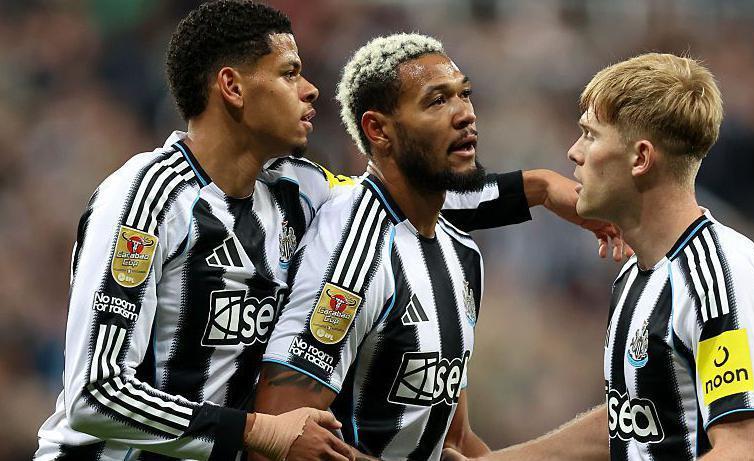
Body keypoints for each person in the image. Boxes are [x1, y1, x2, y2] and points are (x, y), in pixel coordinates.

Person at [35, 2, 624, 460]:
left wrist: (543, 190)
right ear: (232, 88)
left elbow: (409, 194)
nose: (312, 88)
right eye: (289, 73)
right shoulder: (145, 199)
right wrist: (257, 430)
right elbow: (95, 396)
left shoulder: (297, 190)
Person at [252, 32, 623, 461]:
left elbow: (452, 439)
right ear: (378, 130)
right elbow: (281, 440)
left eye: (464, 95)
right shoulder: (352, 249)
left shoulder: (458, 249)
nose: (465, 114)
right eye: (437, 101)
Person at [442, 53, 754, 461]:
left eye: (590, 135)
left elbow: (746, 451)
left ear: (641, 158)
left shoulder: (721, 275)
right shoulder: (637, 274)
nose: (573, 152)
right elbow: (632, 421)